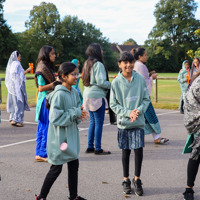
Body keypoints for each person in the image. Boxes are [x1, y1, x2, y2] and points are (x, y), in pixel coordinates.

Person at [35, 62, 88, 200]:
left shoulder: (75, 92)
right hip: (59, 139)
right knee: (56, 169)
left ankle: (73, 196)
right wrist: (75, 113)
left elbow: (76, 113)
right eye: (73, 74)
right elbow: (55, 118)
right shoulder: (59, 94)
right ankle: (41, 196)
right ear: (63, 76)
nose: (77, 76)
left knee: (73, 166)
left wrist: (78, 115)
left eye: (78, 73)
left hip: (71, 137)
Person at [110, 52, 150, 195]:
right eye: (125, 62)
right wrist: (128, 113)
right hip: (124, 123)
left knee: (138, 150)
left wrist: (137, 111)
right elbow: (113, 105)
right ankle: (126, 179)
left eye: (130, 62)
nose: (128, 65)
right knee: (125, 151)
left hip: (138, 122)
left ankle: (137, 179)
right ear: (119, 64)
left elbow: (146, 99)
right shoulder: (115, 82)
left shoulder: (139, 79)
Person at [131, 48, 169, 144]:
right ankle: (153, 137)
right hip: (142, 96)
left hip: (137, 95)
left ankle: (155, 137)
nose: (146, 56)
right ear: (140, 56)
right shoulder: (141, 66)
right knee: (149, 116)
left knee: (144, 117)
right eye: (145, 55)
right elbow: (144, 82)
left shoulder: (136, 65)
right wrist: (152, 77)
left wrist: (149, 75)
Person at [82, 43, 111, 155]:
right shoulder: (98, 64)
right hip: (97, 96)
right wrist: (111, 84)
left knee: (93, 122)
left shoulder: (86, 63)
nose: (102, 51)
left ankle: (90, 146)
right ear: (96, 51)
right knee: (99, 122)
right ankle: (98, 148)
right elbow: (101, 82)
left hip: (87, 94)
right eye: (101, 49)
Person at [34, 45, 56, 162]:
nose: (54, 55)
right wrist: (55, 83)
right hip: (44, 101)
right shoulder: (42, 68)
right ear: (46, 54)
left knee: (42, 127)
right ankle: (42, 153)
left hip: (45, 99)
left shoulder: (45, 66)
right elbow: (41, 88)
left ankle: (40, 152)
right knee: (45, 127)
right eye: (52, 53)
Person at [182, 71, 200, 200]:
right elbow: (190, 104)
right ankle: (189, 188)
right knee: (196, 153)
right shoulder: (198, 82)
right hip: (199, 121)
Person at [5, 51, 31, 127]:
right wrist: (28, 70)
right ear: (16, 57)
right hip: (17, 87)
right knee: (19, 103)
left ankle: (13, 118)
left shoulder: (12, 64)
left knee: (14, 103)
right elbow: (17, 74)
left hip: (13, 87)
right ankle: (17, 120)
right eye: (19, 56)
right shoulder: (16, 64)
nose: (20, 58)